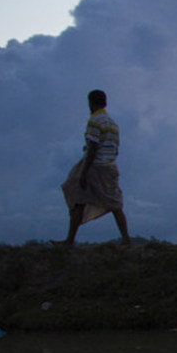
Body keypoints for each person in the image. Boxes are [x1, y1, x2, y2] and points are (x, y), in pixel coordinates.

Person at [58, 90, 131, 246]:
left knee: (78, 199)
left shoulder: (94, 121)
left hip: (95, 167)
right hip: (110, 166)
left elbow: (92, 147)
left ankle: (69, 240)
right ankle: (126, 239)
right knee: (115, 204)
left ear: (91, 103)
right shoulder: (113, 124)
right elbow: (115, 148)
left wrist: (84, 172)